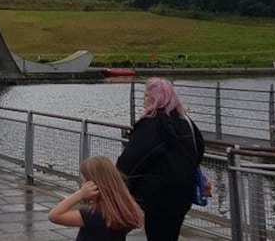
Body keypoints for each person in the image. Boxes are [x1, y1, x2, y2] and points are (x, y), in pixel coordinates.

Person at [116, 77, 204, 241]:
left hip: (156, 196)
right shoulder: (186, 122)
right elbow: (199, 149)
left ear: (154, 98)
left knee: (156, 233)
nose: (144, 99)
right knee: (170, 233)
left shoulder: (151, 125)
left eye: (146, 95)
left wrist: (117, 182)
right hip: (183, 193)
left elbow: (131, 160)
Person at [49, 155, 144, 240]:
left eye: (84, 181)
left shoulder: (94, 215)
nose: (82, 184)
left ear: (93, 185)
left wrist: (79, 194)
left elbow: (54, 215)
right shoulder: (122, 211)